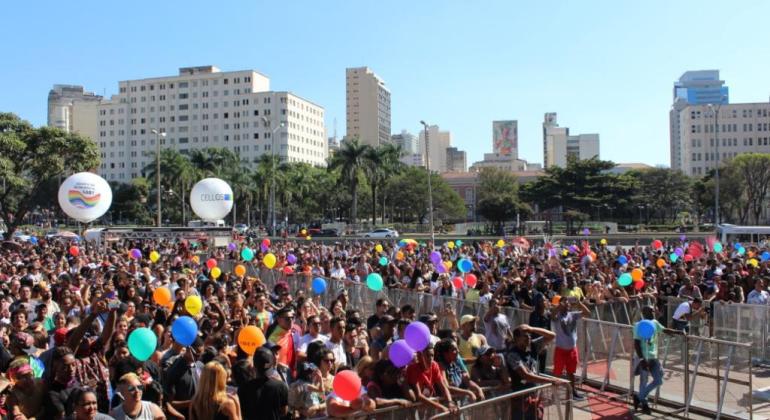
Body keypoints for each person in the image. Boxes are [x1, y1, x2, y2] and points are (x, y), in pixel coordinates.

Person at [506, 325, 569, 420]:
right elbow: (526, 376)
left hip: (536, 396)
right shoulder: (512, 354)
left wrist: (532, 329)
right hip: (521, 399)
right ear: (516, 338)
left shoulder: (533, 347)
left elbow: (552, 335)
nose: (529, 337)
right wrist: (551, 380)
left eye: (529, 335)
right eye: (525, 335)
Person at [633, 306, 680, 414]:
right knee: (643, 381)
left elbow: (664, 330)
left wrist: (678, 332)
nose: (653, 312)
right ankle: (644, 403)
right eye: (650, 311)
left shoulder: (655, 322)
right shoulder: (638, 325)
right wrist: (641, 359)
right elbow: (636, 343)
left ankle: (639, 397)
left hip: (653, 357)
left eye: (653, 310)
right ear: (644, 313)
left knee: (658, 380)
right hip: (643, 357)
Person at [551, 295, 590, 400]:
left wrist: (579, 303)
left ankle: (573, 392)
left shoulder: (573, 315)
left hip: (572, 350)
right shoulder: (557, 316)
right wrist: (559, 306)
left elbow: (588, 313)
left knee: (571, 373)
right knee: (557, 373)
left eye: (568, 302)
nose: (567, 304)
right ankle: (554, 393)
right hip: (560, 350)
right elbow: (552, 315)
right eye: (565, 302)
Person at [237, 347, 289, 420]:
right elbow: (284, 412)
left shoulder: (243, 388)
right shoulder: (281, 386)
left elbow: (241, 413)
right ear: (271, 364)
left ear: (254, 366)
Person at [406, 344, 458, 414]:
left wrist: (450, 402)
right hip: (413, 409)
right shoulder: (413, 368)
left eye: (432, 355)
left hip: (429, 406)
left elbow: (443, 387)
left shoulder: (434, 365)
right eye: (427, 355)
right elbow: (419, 395)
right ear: (420, 356)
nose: (430, 358)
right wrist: (440, 407)